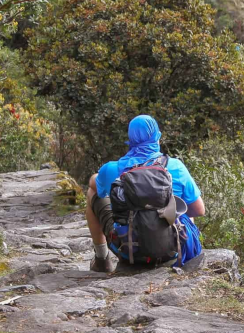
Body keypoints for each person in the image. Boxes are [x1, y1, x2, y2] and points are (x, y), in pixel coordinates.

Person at [85, 115, 206, 272]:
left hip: (128, 251)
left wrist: (100, 176)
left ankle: (101, 259)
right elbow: (199, 210)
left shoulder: (111, 169)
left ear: (130, 139)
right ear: (157, 137)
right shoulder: (176, 166)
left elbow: (94, 186)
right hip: (170, 250)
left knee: (92, 193)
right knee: (183, 207)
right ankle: (182, 254)